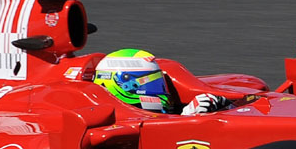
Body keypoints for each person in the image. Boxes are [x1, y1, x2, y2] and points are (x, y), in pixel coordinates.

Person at [93, 48, 229, 115]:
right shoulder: (115, 122)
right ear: (125, 85)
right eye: (150, 84)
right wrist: (187, 117)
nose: (158, 90)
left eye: (158, 83)